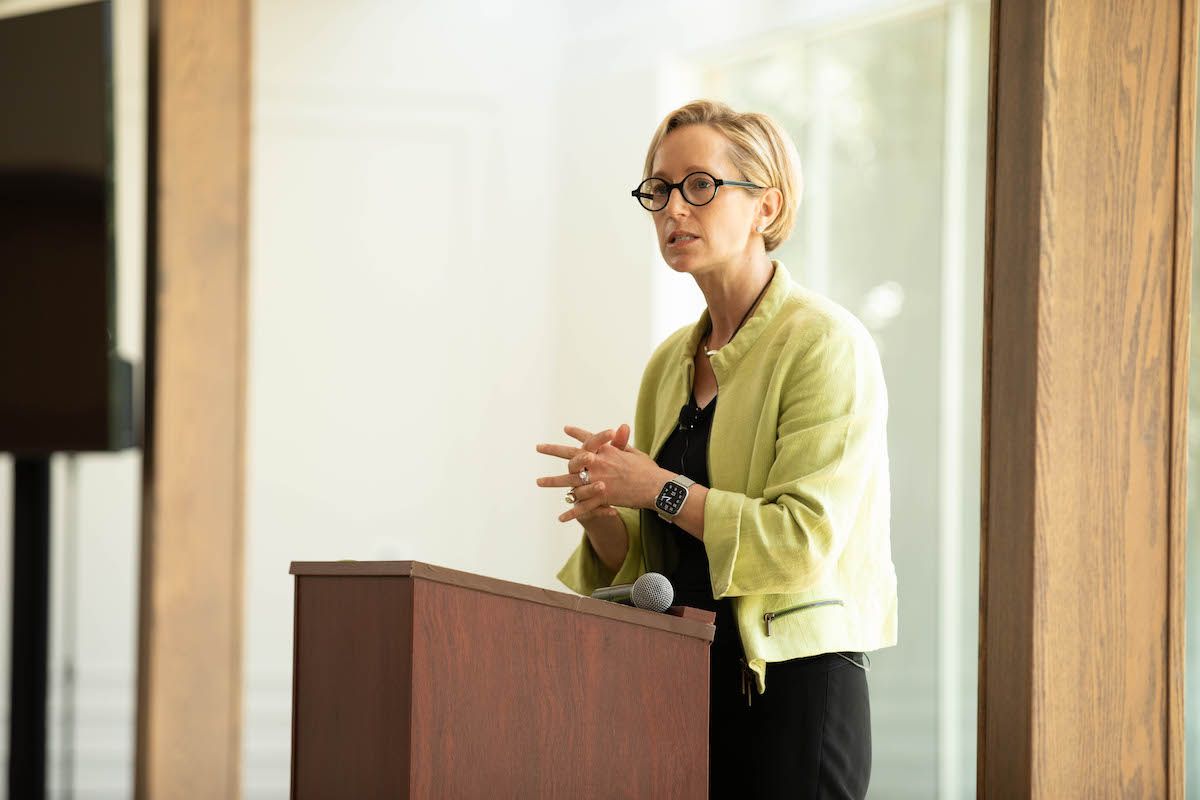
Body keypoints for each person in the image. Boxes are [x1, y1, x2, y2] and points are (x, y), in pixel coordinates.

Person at [534, 99, 897, 798]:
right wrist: (607, 510)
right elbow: (654, 568)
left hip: (793, 688)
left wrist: (657, 488)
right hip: (680, 685)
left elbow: (801, 542)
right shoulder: (670, 362)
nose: (674, 210)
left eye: (700, 185)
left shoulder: (825, 343)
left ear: (767, 205)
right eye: (659, 189)